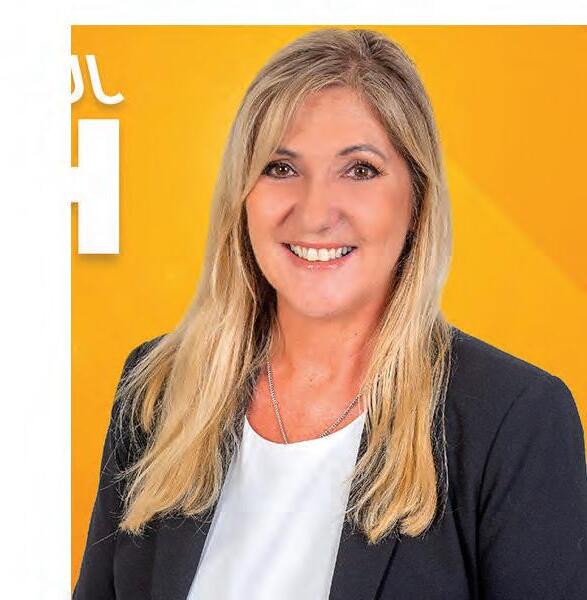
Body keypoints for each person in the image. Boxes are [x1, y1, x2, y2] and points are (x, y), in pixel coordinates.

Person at [73, 28, 587, 599]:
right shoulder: (159, 389)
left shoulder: (514, 421)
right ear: (242, 196)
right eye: (280, 167)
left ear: (417, 200)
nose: (315, 213)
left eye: (359, 169)